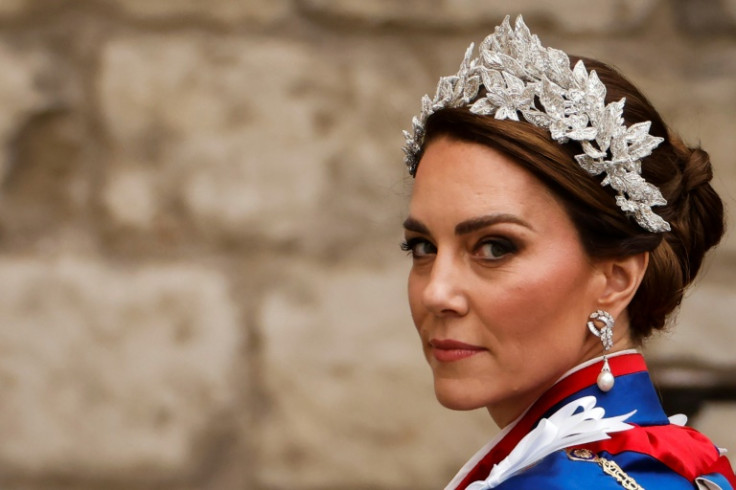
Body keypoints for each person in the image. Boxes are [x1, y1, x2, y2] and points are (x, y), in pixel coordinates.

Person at [400, 15, 735, 490]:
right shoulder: (673, 466)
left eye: (494, 247)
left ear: (615, 279)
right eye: (423, 246)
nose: (437, 293)